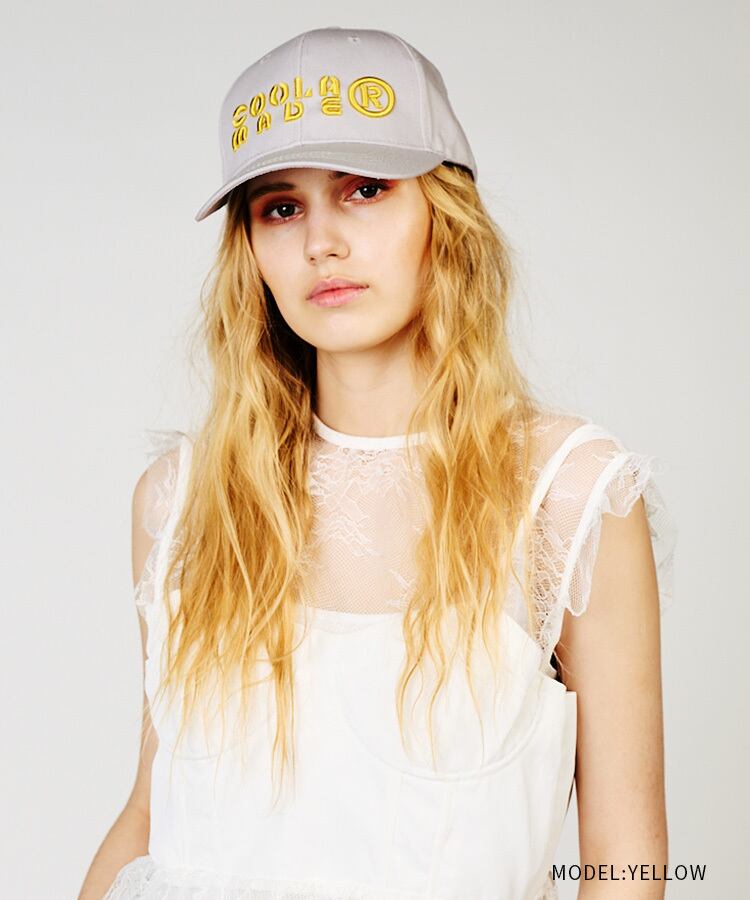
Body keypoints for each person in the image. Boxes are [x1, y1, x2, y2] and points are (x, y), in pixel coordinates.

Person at [78, 26, 677, 900]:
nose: (321, 242)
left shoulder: (565, 492)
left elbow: (627, 857)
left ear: (445, 213)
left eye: (364, 189)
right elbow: (149, 812)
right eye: (280, 207)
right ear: (251, 249)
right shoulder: (182, 502)